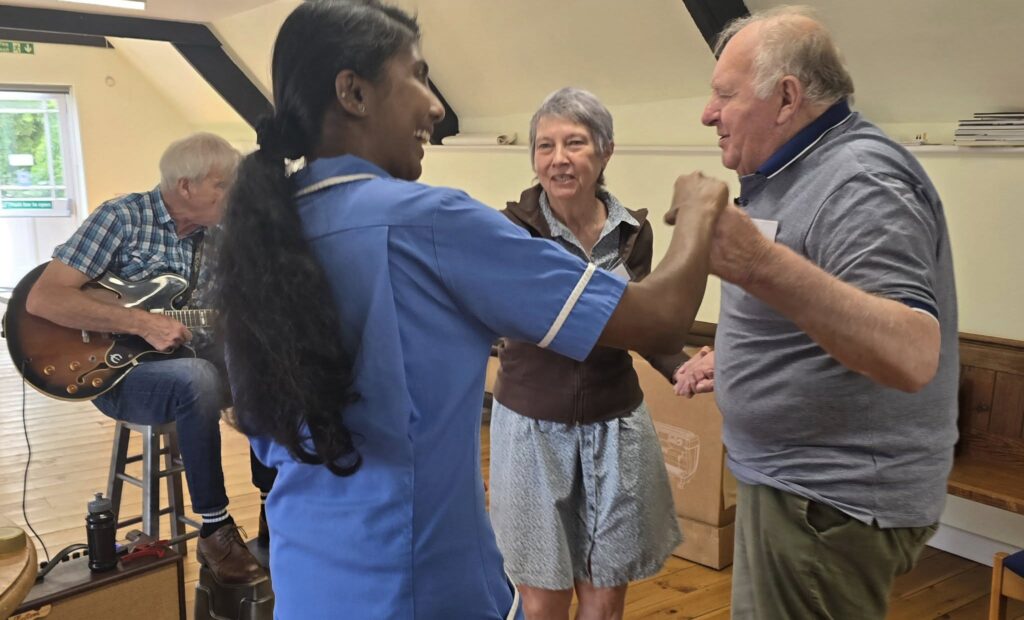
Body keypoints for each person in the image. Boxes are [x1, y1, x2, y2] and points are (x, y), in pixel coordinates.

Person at [214, 1, 727, 617]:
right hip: (417, 584)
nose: (435, 105)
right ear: (353, 92)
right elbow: (661, 317)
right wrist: (698, 210)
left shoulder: (268, 228)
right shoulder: (428, 222)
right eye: (418, 77)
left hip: (308, 577)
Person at [671, 7, 958, 619]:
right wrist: (744, 355)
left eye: (724, 95)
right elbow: (828, 299)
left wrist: (758, 265)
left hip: (825, 501)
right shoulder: (795, 169)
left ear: (785, 98)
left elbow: (911, 352)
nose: (707, 113)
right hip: (796, 487)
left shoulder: (859, 180)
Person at [25, 132, 270, 585]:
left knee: (269, 370)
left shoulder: (220, 237)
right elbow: (42, 299)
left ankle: (273, 507)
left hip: (193, 361)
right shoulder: (120, 218)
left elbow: (232, 311)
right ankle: (215, 531)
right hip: (115, 375)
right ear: (185, 187)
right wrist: (140, 323)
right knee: (196, 378)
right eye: (223, 185)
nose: (231, 195)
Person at [489, 87, 685, 620]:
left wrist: (682, 365)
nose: (558, 158)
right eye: (545, 145)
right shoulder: (510, 232)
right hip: (533, 432)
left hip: (614, 428)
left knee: (605, 595)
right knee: (544, 599)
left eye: (574, 143)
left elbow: (640, 325)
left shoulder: (632, 232)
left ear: (605, 152)